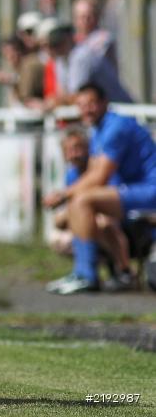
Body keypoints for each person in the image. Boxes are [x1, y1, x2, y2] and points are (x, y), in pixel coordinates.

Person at [43, 83, 156, 294]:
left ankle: (91, 275)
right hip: (136, 191)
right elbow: (94, 174)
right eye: (81, 105)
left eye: (91, 104)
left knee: (83, 201)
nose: (86, 109)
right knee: (81, 204)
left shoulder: (117, 126)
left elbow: (99, 175)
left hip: (150, 190)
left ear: (105, 103)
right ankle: (91, 273)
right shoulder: (98, 130)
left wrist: (63, 195)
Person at [45, 127, 130, 284]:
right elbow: (66, 216)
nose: (73, 154)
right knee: (58, 235)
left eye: (78, 148)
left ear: (88, 148)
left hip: (119, 220)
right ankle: (86, 273)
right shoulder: (71, 175)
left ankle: (123, 272)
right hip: (91, 222)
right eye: (68, 150)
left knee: (103, 223)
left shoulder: (102, 170)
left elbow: (112, 202)